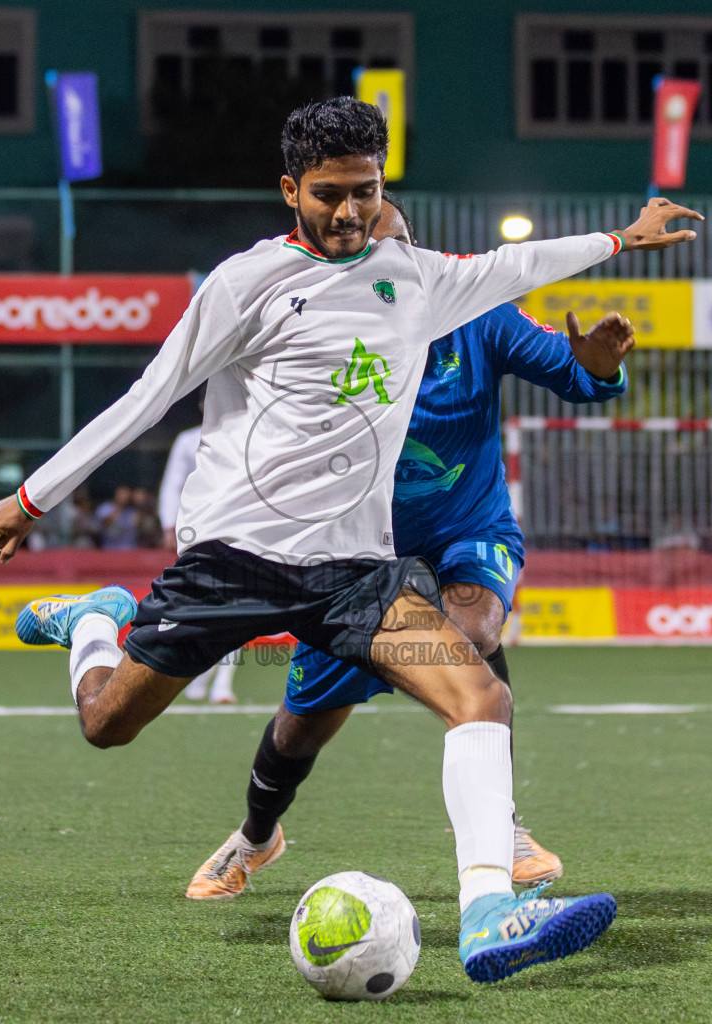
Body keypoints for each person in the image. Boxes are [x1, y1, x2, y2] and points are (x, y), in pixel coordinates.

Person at [0, 97, 700, 983]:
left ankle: (487, 914)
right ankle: (95, 623)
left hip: (352, 573)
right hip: (232, 559)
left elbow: (520, 265)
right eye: (329, 194)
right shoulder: (246, 283)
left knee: (480, 696)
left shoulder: (420, 278)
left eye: (365, 192)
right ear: (291, 191)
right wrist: (32, 494)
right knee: (107, 725)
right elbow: (148, 395)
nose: (350, 212)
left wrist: (623, 239)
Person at [185, 195, 633, 899]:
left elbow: (574, 373)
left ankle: (499, 827)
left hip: (467, 534)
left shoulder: (481, 318)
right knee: (300, 727)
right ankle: (255, 837)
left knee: (474, 630)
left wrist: (600, 368)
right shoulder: (322, 340)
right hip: (359, 559)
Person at [158, 403, 239, 704]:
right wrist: (169, 524)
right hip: (197, 532)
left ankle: (222, 684)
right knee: (204, 606)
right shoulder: (188, 440)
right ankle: (200, 674)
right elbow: (172, 484)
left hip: (237, 530)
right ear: (205, 403)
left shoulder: (247, 433)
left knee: (237, 605)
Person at [95, 485, 140, 550]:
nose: (125, 497)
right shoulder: (105, 508)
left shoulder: (133, 511)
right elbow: (106, 523)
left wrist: (137, 503)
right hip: (109, 549)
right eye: (122, 494)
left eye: (127, 495)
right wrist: (119, 506)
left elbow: (139, 525)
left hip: (130, 550)